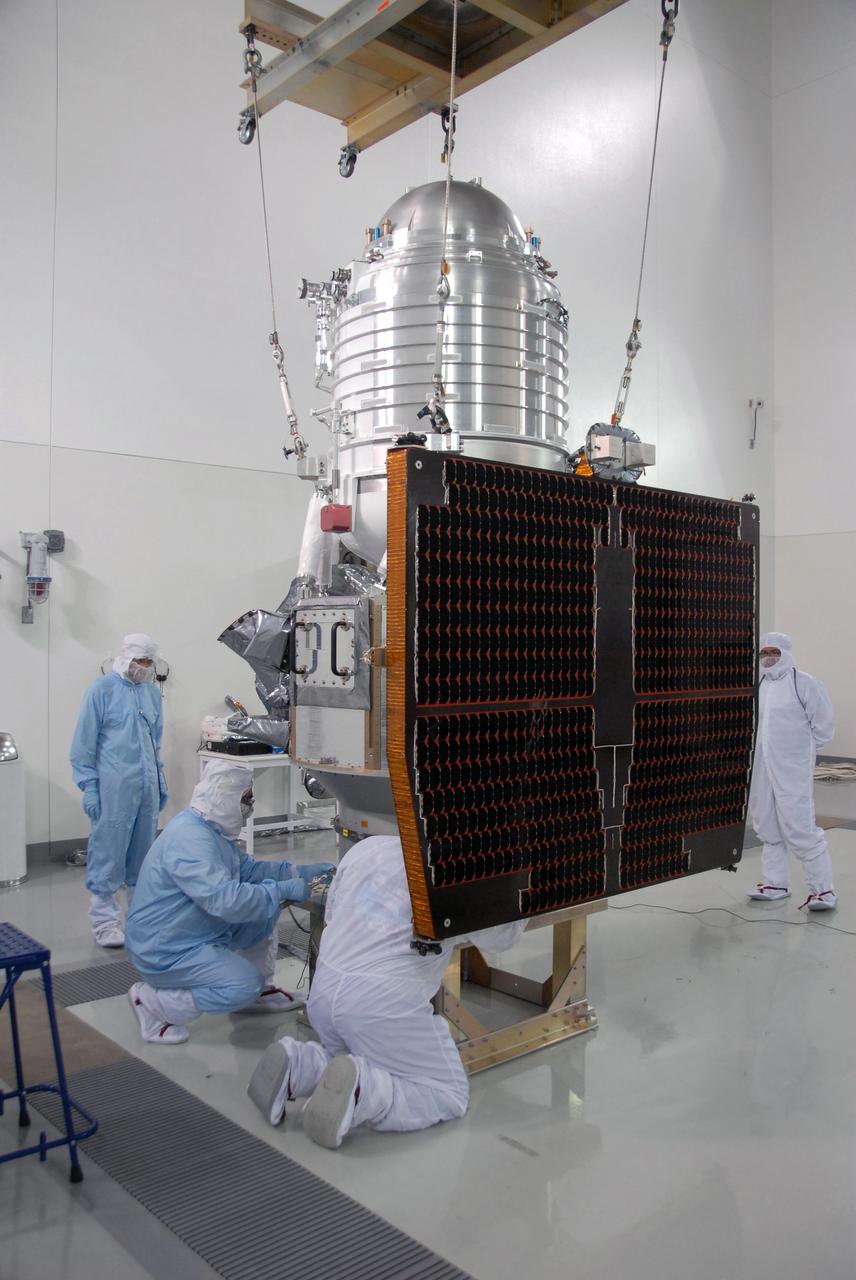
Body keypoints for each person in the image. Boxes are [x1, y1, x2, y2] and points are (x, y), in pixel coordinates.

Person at [247, 834, 527, 1149]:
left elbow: (332, 913)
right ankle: (364, 1093)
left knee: (350, 1056)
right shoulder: (459, 873)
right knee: (447, 1092)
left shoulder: (368, 848)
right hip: (381, 1007)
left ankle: (301, 1065)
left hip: (324, 995)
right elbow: (503, 938)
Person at [124, 758, 335, 1044]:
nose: (251, 804)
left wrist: (298, 872)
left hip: (193, 929)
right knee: (240, 983)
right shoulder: (190, 840)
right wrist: (281, 890)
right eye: (246, 798)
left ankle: (259, 994)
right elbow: (226, 901)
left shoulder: (211, 832)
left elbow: (248, 871)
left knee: (263, 914)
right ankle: (153, 1003)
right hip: (164, 947)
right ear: (224, 796)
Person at [70, 633, 167, 948]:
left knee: (143, 856)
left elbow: (155, 742)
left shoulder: (152, 694)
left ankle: (139, 919)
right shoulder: (101, 691)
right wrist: (89, 787)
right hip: (113, 789)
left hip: (146, 788)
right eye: (140, 661)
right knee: (108, 853)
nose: (144, 667)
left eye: (149, 662)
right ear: (126, 658)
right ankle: (105, 923)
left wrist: (160, 780)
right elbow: (83, 745)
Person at [747, 631, 837, 910]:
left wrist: (803, 752)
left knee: (799, 827)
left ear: (785, 653)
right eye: (765, 653)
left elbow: (823, 724)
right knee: (767, 824)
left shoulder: (804, 683)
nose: (769, 658)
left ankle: (824, 891)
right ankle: (775, 883)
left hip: (791, 767)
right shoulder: (758, 684)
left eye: (774, 652)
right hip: (762, 766)